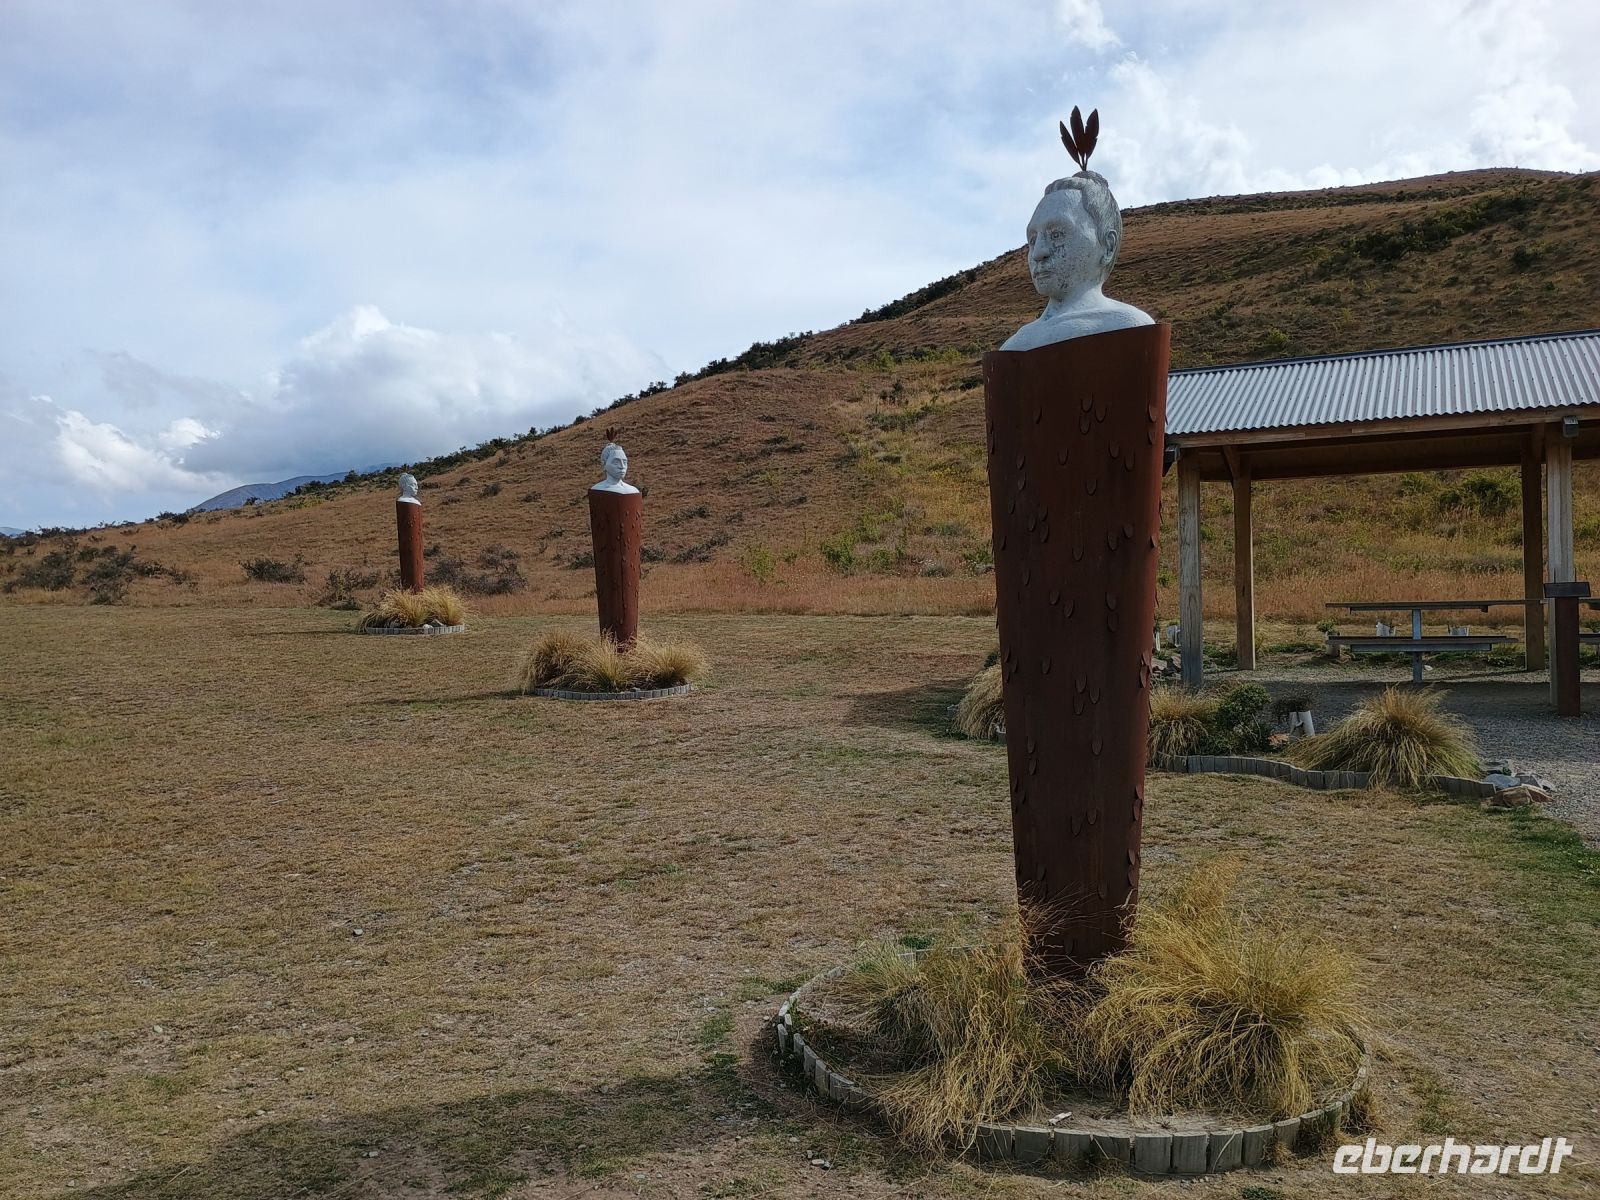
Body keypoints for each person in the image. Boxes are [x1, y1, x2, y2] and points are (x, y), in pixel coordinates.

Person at [1001, 169, 1152, 351]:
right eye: (1032, 240)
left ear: (1107, 246)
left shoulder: (1130, 328)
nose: (1038, 253)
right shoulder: (1015, 347)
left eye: (1057, 234)